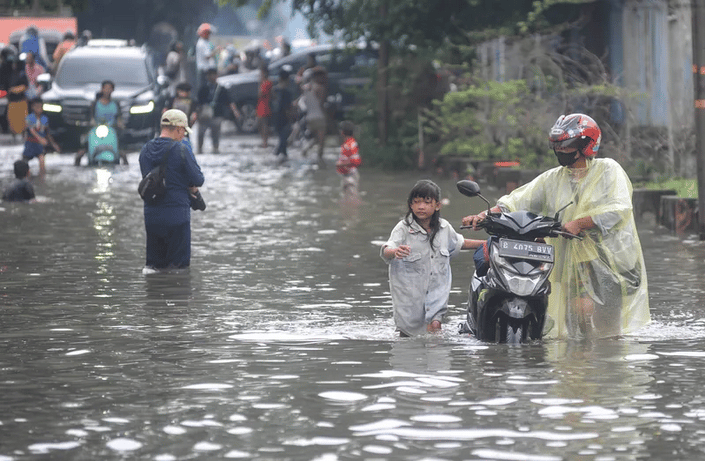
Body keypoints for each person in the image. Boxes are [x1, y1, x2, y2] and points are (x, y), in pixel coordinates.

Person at [462, 113, 650, 340]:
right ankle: (578, 365)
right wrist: (483, 215)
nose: (561, 152)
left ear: (585, 146)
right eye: (558, 147)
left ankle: (605, 367)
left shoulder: (609, 170)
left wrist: (580, 223)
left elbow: (620, 209)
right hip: (570, 260)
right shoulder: (553, 178)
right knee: (576, 315)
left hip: (608, 261)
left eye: (566, 147)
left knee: (607, 327)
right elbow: (518, 199)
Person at [381, 180, 484, 337]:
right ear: (410, 205)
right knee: (407, 337)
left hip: (436, 296)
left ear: (437, 205)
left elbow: (460, 243)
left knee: (435, 328)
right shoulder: (403, 228)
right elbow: (386, 249)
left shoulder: (444, 228)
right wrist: (395, 251)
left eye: (427, 202)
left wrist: (488, 243)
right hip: (409, 299)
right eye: (416, 202)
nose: (421, 207)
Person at [139, 109, 204, 272]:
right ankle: (174, 295)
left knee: (153, 268)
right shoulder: (181, 149)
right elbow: (198, 179)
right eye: (183, 131)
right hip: (177, 217)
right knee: (178, 271)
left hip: (152, 217)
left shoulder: (145, 149)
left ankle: (154, 295)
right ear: (179, 129)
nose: (183, 136)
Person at [74, 80, 127, 165]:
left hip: (112, 130)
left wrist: (120, 123)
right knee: (81, 151)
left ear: (113, 90)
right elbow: (90, 117)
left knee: (123, 153)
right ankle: (76, 166)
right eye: (105, 88)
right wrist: (91, 122)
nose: (107, 90)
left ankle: (125, 167)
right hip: (95, 130)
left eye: (109, 88)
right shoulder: (95, 104)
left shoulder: (115, 104)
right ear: (102, 89)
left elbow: (119, 118)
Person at [196, 68, 240, 154]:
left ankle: (215, 149)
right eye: (210, 75)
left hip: (217, 114)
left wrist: (235, 111)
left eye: (213, 75)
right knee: (201, 133)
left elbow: (229, 101)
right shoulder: (203, 88)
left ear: (216, 76)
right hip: (204, 115)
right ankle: (200, 149)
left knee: (215, 134)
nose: (212, 77)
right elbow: (198, 102)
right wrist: (196, 114)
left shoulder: (222, 89)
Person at [23, 97, 60, 175]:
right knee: (25, 163)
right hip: (30, 144)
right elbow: (31, 130)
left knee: (42, 160)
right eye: (37, 107)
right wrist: (40, 139)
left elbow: (47, 133)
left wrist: (53, 144)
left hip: (39, 145)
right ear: (33, 107)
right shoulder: (29, 118)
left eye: (40, 107)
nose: (39, 109)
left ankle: (42, 177)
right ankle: (26, 175)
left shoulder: (45, 119)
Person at [300, 66, 327, 164]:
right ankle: (320, 162)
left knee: (316, 138)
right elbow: (321, 104)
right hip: (319, 117)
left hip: (309, 118)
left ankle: (305, 150)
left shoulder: (305, 88)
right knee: (321, 143)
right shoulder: (320, 88)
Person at [336, 121, 361, 201]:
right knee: (347, 199)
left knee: (351, 200)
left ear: (342, 132)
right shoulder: (347, 144)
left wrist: (341, 164)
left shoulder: (351, 144)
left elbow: (356, 160)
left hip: (350, 176)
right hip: (346, 176)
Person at [271, 68, 293, 160]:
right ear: (287, 79)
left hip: (275, 117)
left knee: (281, 138)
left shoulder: (274, 90)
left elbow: (272, 102)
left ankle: (281, 156)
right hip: (284, 117)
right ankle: (277, 155)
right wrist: (291, 119)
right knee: (283, 139)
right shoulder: (287, 92)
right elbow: (287, 108)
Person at [195, 23, 217, 91]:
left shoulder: (206, 42)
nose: (208, 35)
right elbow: (207, 56)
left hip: (207, 69)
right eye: (207, 33)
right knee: (205, 87)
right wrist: (216, 51)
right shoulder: (202, 43)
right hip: (204, 70)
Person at [256, 65, 273, 148]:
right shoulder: (265, 82)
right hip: (262, 104)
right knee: (261, 124)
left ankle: (265, 142)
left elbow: (260, 94)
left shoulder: (266, 83)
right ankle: (264, 141)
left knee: (263, 124)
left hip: (264, 104)